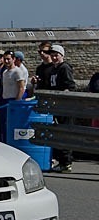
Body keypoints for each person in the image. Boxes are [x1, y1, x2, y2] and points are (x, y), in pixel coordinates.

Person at [47, 44, 76, 172]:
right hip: (56, 105)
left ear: (61, 56)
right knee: (57, 133)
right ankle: (61, 160)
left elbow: (70, 86)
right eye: (52, 55)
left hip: (64, 105)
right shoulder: (54, 69)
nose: (53, 57)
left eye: (56, 55)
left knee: (64, 133)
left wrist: (62, 96)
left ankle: (66, 161)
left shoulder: (64, 68)